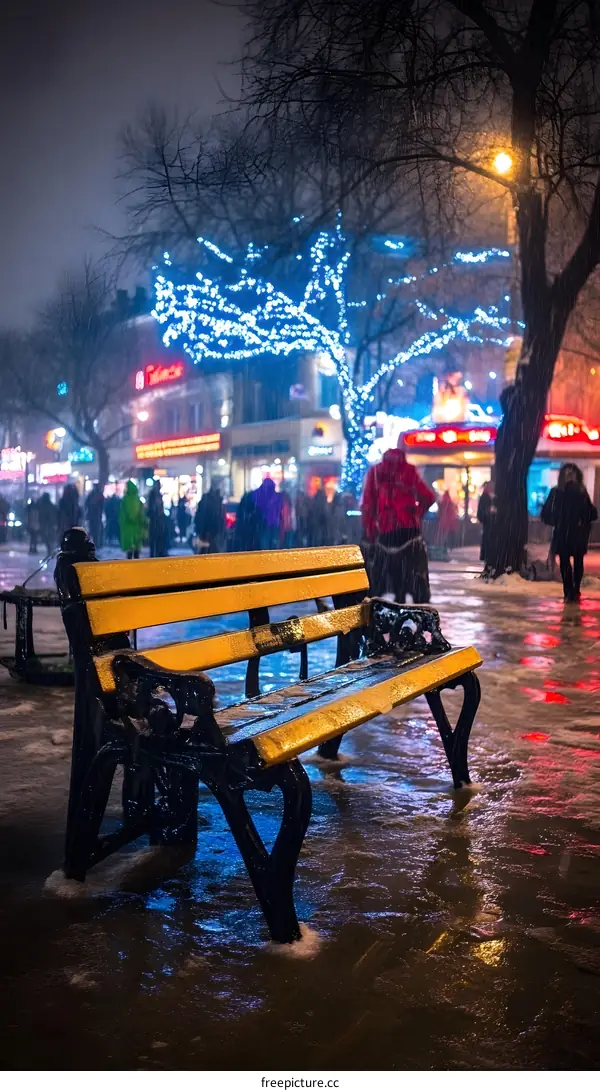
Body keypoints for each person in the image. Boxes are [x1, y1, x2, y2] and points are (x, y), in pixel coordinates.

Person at [362, 438, 436, 603]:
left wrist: (371, 528)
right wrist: (416, 513)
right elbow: (429, 497)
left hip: (386, 532)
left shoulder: (376, 473)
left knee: (388, 572)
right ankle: (409, 600)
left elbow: (368, 505)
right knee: (410, 570)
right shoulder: (408, 471)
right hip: (409, 531)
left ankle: (390, 603)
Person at [541, 462, 597, 603]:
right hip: (564, 533)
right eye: (567, 474)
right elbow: (546, 513)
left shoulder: (580, 493)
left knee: (577, 562)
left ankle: (574, 589)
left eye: (572, 474)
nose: (569, 477)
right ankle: (568, 590)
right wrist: (557, 521)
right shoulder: (557, 492)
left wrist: (581, 522)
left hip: (576, 534)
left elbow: (591, 514)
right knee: (566, 562)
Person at [194, 482, 225, 553]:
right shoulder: (217, 501)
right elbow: (219, 518)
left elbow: (199, 516)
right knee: (211, 549)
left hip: (207, 530)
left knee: (205, 550)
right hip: (212, 531)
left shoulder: (206, 499)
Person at [252, 478, 282, 549]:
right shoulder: (276, 497)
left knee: (267, 542)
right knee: (270, 542)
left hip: (267, 523)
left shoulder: (259, 495)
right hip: (269, 523)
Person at [119, 481, 147, 559]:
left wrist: (123, 523)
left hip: (128, 528)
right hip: (137, 527)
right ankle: (137, 565)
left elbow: (122, 515)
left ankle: (129, 564)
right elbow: (141, 514)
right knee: (137, 548)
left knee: (129, 549)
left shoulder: (125, 500)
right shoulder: (138, 500)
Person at [477, 481, 496, 567]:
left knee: (490, 545)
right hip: (489, 526)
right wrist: (488, 513)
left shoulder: (492, 497)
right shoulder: (485, 497)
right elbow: (480, 514)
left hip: (491, 526)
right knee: (488, 544)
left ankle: (489, 560)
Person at [146, 479, 166, 558]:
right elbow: (151, 508)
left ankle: (158, 554)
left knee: (158, 538)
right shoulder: (152, 494)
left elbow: (161, 507)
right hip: (154, 520)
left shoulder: (158, 495)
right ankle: (153, 555)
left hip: (158, 520)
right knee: (153, 539)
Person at [85, 483, 104, 548]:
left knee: (92, 530)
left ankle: (92, 543)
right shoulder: (100, 495)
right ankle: (97, 544)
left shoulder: (91, 495)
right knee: (97, 530)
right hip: (97, 515)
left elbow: (86, 504)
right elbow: (102, 505)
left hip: (92, 515)